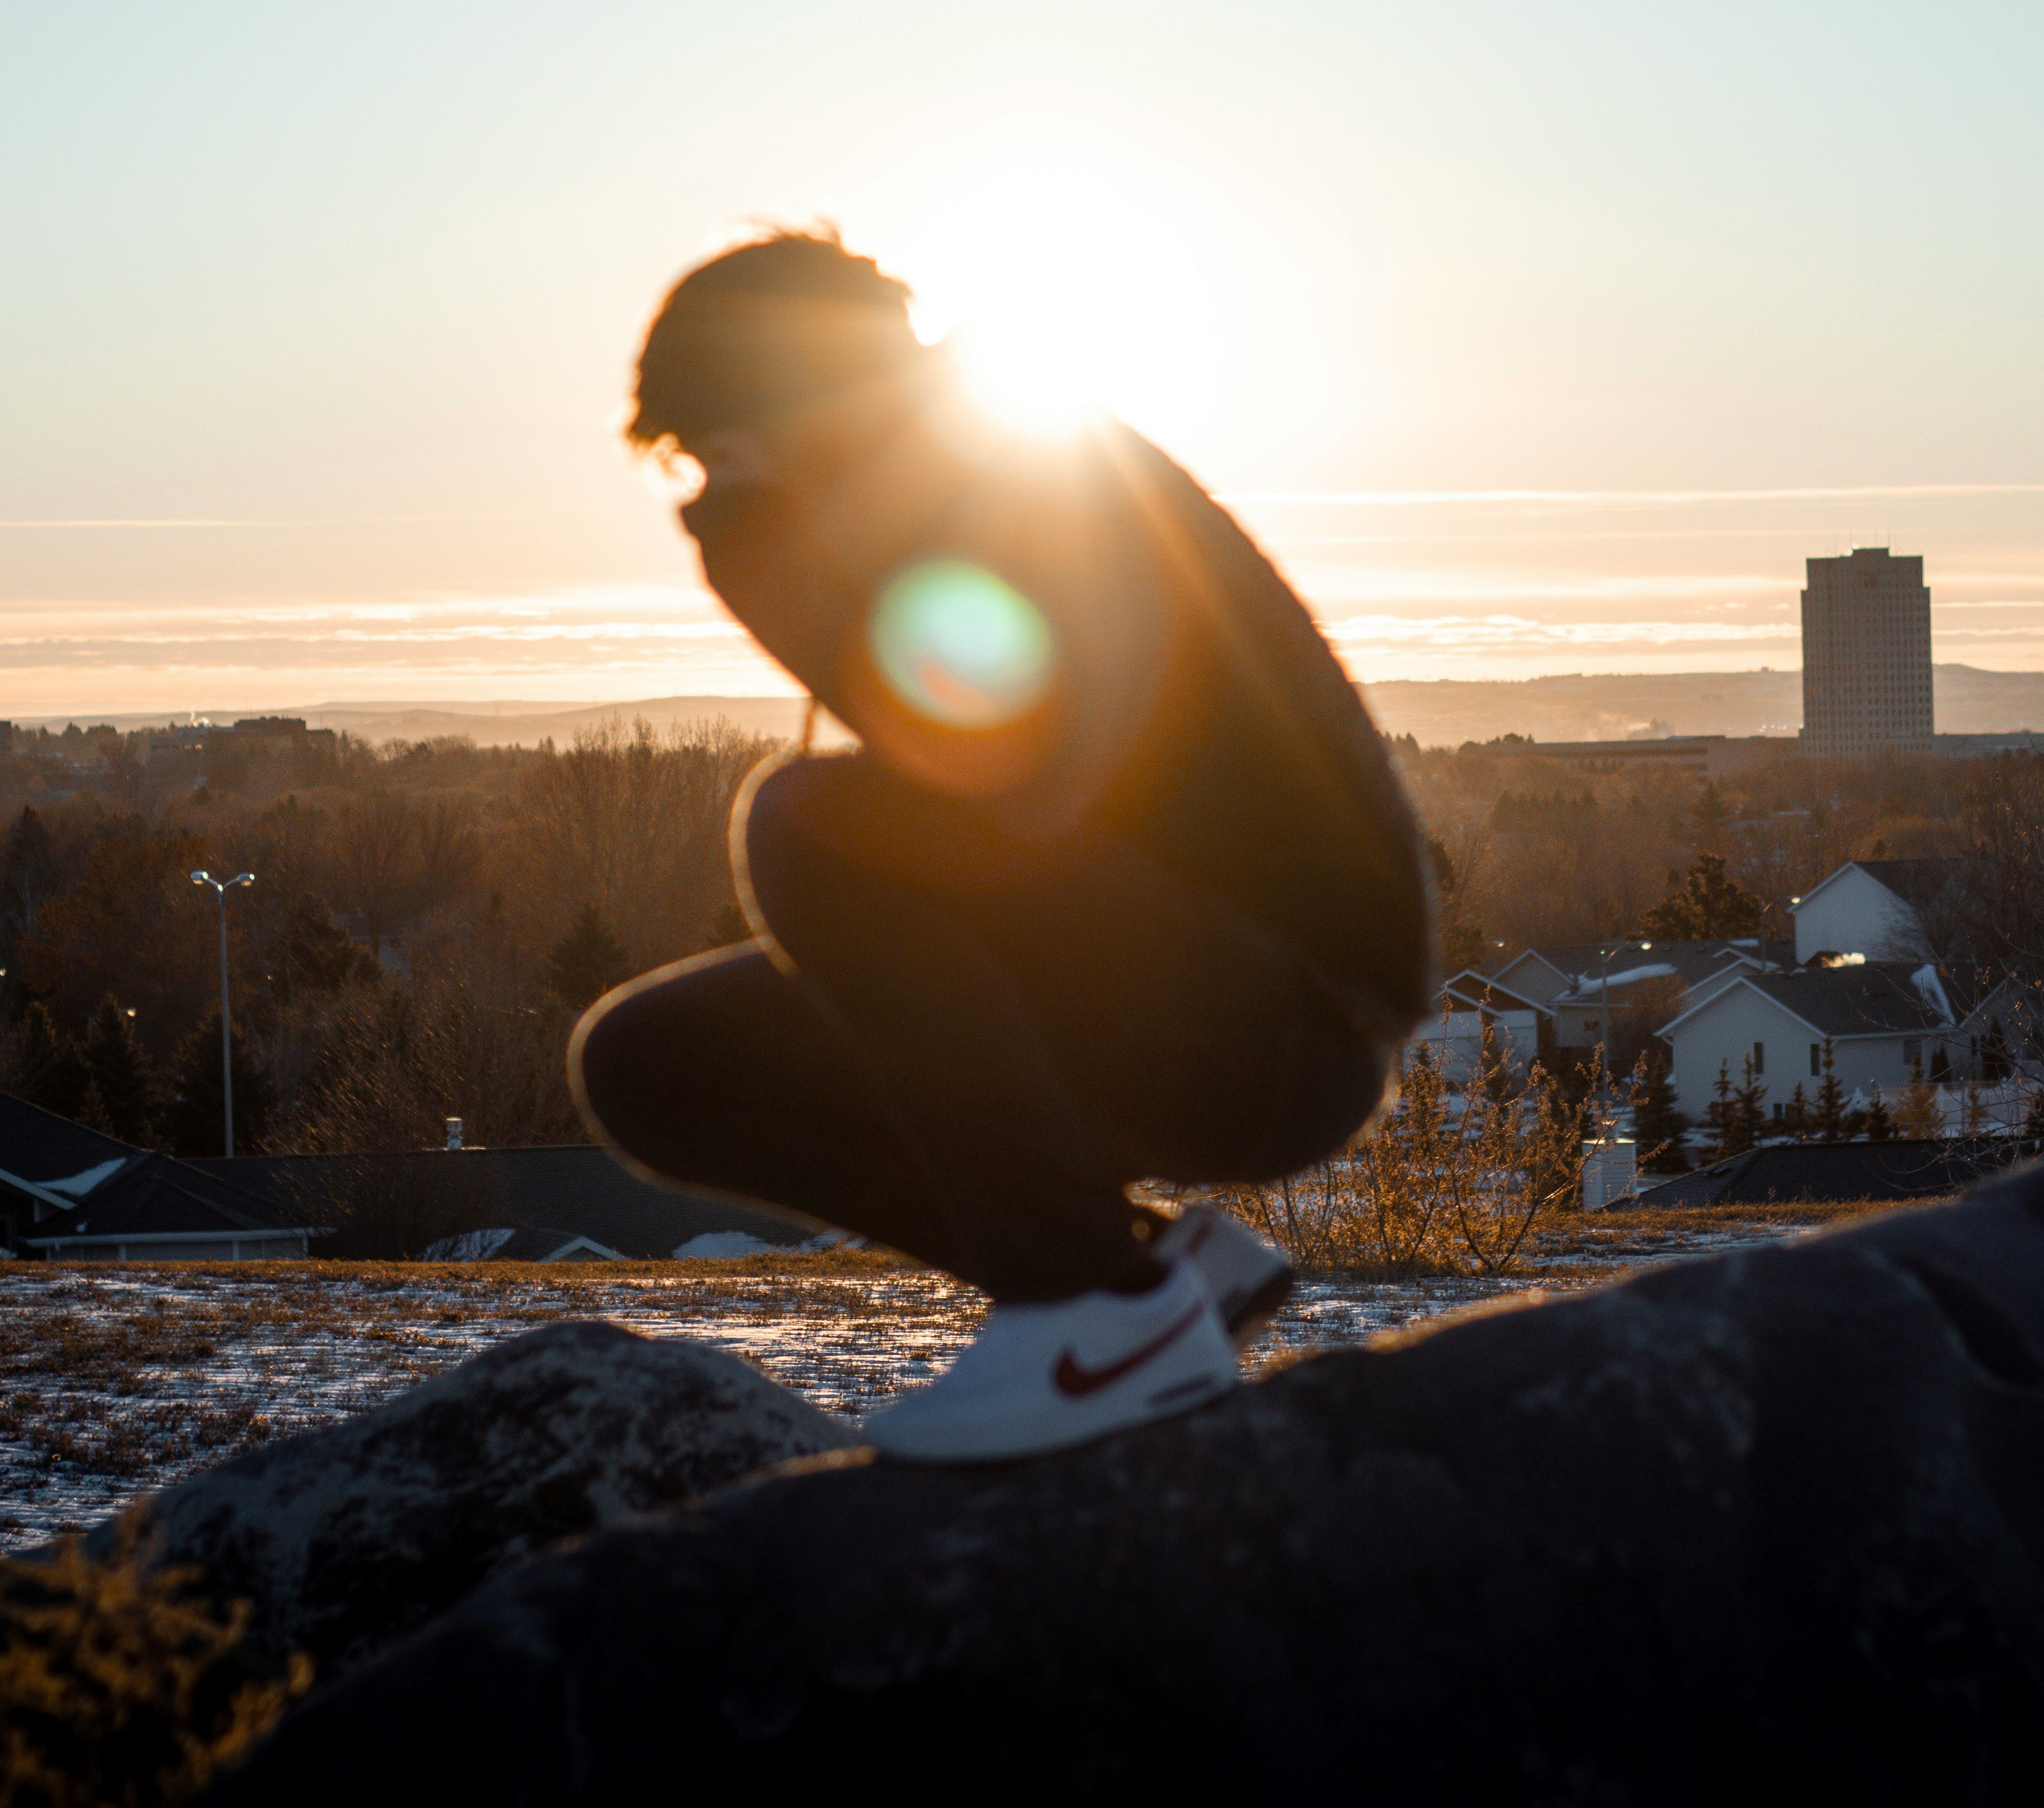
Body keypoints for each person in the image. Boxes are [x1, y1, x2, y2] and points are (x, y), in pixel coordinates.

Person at [568, 229, 1431, 1462]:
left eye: (727, 452)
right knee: (651, 1065)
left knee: (805, 823)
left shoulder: (1046, 466)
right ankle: (1148, 1278)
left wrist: (778, 537)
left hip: (1286, 1022)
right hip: (1131, 969)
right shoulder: (892, 502)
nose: (718, 494)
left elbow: (1022, 774)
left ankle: (1095, 1316)